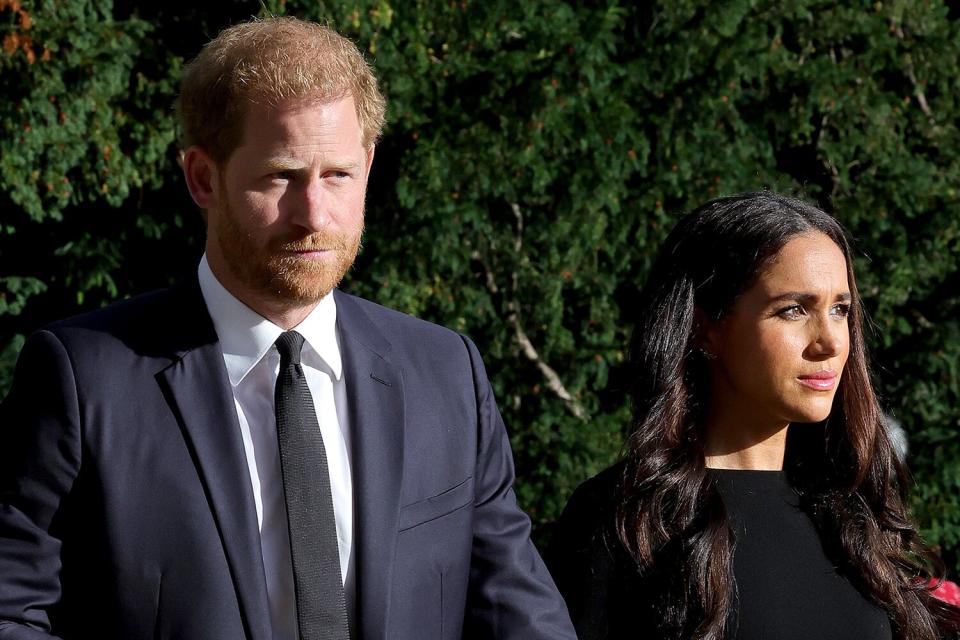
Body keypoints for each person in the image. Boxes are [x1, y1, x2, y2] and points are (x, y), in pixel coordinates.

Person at [0, 17, 576, 640]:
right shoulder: (86, 379)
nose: (314, 216)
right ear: (202, 177)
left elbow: (516, 611)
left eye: (339, 175)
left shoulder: (445, 373)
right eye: (280, 175)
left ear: (369, 164)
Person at [549, 192, 960, 640]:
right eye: (793, 310)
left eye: (840, 309)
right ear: (705, 328)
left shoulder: (853, 509)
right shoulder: (627, 519)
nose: (830, 342)